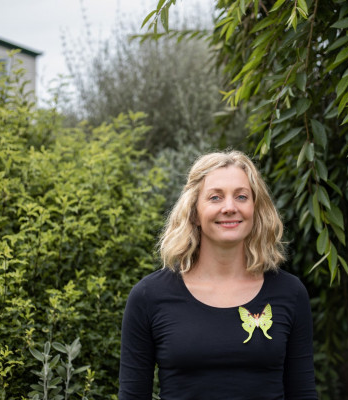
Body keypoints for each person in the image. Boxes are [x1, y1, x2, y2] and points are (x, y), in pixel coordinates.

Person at [118, 151, 317, 400]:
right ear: (194, 212)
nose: (230, 207)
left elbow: (303, 393)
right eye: (215, 197)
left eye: (241, 196)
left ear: (255, 209)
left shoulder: (290, 292)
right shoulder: (149, 297)